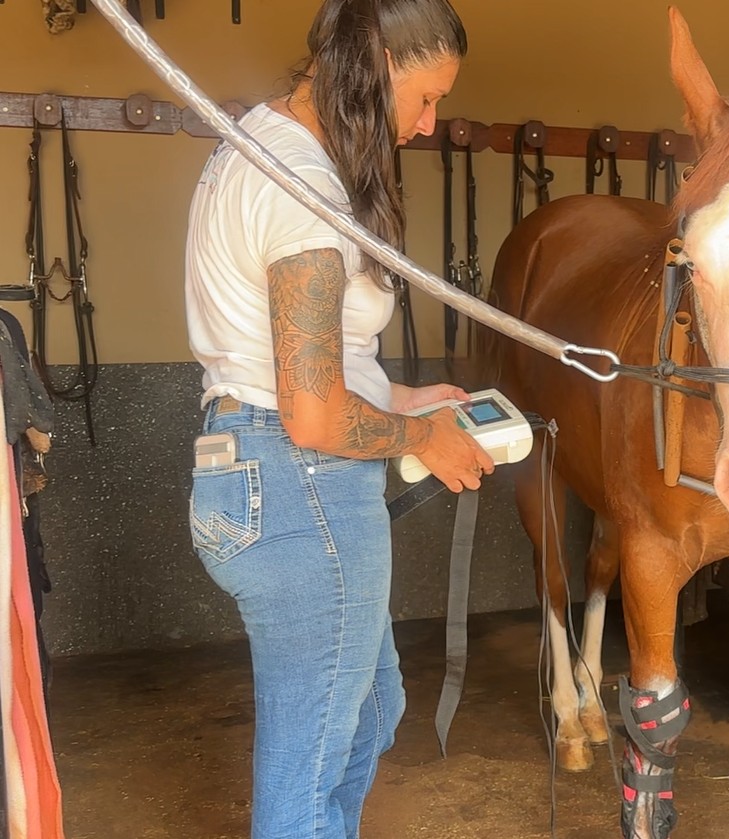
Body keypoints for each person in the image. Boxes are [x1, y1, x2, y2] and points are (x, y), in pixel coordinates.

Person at [182, 1, 490, 836]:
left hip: (256, 466)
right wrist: (422, 438)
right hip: (299, 482)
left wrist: (399, 400)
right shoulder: (302, 188)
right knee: (307, 769)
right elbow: (313, 415)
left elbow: (291, 362)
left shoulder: (262, 143)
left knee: (371, 707)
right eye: (424, 99)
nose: (427, 125)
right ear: (380, 67)